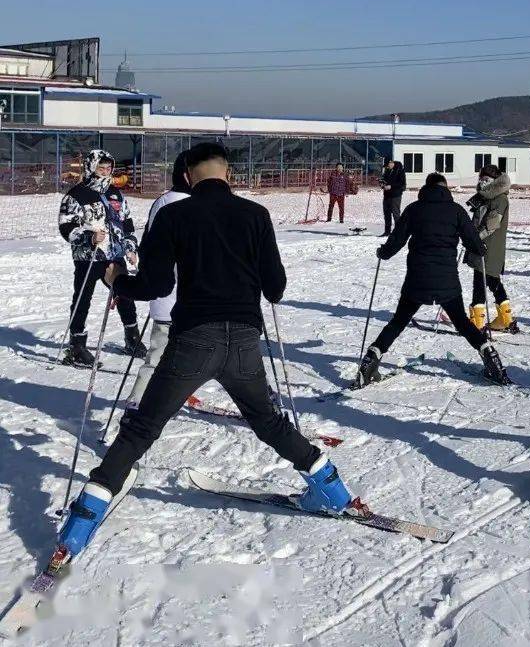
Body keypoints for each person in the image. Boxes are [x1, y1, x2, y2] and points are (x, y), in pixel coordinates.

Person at [56, 143, 362, 559]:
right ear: (229, 175)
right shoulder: (256, 215)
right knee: (269, 423)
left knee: (142, 428)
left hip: (193, 342)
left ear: (186, 176)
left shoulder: (173, 215)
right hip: (243, 343)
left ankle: (82, 522)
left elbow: (155, 287)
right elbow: (276, 288)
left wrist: (115, 279)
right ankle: (331, 488)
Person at [356, 172, 511, 387]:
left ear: (425, 188)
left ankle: (373, 357)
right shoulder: (456, 210)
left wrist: (383, 252)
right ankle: (489, 355)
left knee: (399, 321)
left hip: (417, 278)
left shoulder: (414, 209)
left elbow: (396, 241)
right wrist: (481, 248)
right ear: (445, 189)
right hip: (446, 280)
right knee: (463, 323)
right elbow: (475, 242)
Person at [58, 149, 145, 367]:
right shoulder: (76, 194)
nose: (105, 171)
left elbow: (127, 223)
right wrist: (88, 237)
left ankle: (132, 337)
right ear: (91, 167)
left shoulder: (115, 193)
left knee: (125, 294)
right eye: (101, 167)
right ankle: (77, 344)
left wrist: (130, 248)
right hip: (89, 257)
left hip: (113, 254)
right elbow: (66, 226)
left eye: (108, 168)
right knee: (83, 298)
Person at [125, 150, 192, 409]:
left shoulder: (181, 202)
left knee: (223, 357)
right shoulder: (170, 203)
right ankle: (136, 406)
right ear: (187, 175)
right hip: (172, 298)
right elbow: (152, 253)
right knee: (158, 356)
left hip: (199, 301)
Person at [465, 164, 515, 331]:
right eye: (481, 179)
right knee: (493, 280)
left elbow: (492, 225)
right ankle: (505, 318)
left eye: (486, 179)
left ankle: (477, 322)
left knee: (480, 281)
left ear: (495, 181)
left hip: (488, 246)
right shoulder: (487, 196)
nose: (482, 182)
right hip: (485, 245)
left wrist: (474, 239)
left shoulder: (499, 198)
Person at [380, 158, 406, 237]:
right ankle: (387, 231)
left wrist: (391, 186)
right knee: (386, 213)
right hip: (387, 195)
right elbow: (384, 179)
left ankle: (399, 232)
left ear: (391, 163)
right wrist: (382, 184)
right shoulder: (388, 171)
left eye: (388, 165)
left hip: (396, 195)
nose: (387, 167)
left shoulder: (400, 170)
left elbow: (402, 184)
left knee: (396, 214)